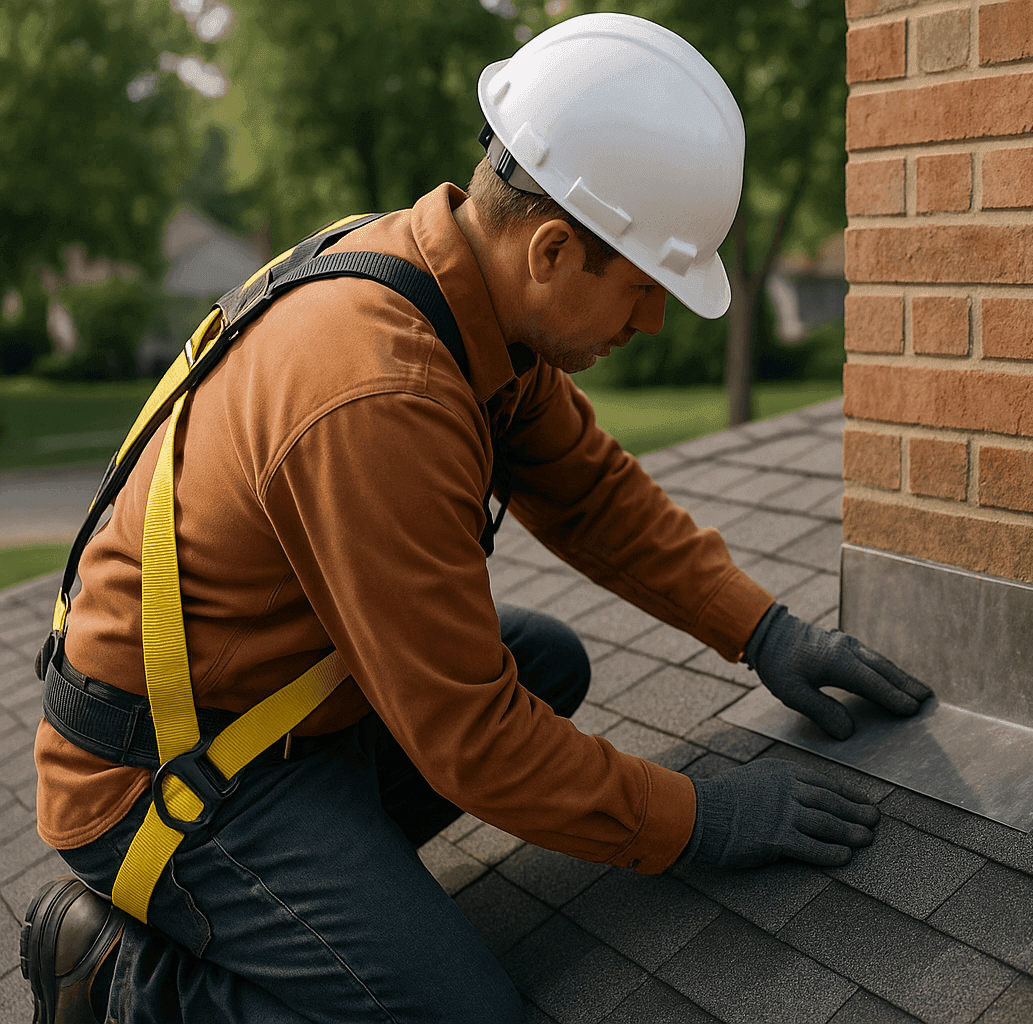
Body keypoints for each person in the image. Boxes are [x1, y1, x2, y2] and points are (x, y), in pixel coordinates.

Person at [21, 13, 931, 1024]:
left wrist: (766, 631)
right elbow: (473, 740)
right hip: (171, 779)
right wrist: (698, 819)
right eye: (643, 288)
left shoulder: (458, 300)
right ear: (552, 248)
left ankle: (317, 886)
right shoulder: (381, 393)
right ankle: (120, 978)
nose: (652, 323)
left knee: (546, 662)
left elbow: (590, 494)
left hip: (282, 703)